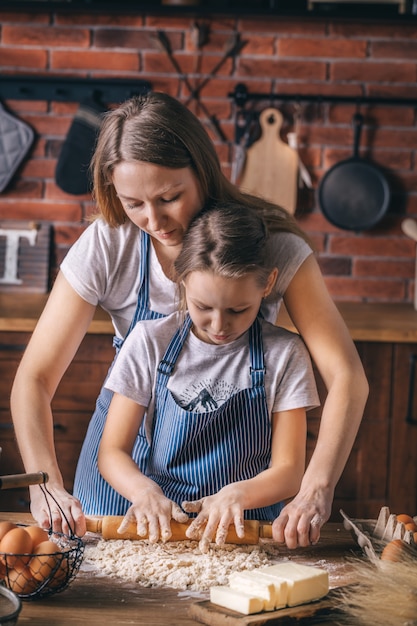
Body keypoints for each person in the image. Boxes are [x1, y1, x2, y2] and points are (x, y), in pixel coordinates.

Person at [10, 91, 369, 548]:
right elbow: (35, 378)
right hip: (127, 468)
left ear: (202, 170)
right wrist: (44, 484)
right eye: (133, 203)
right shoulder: (109, 242)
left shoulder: (267, 244)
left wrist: (316, 488)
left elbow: (346, 376)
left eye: (169, 197)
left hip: (238, 478)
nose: (153, 220)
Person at [97, 203, 319, 553]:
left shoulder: (285, 355)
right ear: (181, 279)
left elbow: (290, 470)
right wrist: (143, 492)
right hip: (164, 530)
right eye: (203, 307)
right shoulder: (149, 342)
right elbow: (112, 452)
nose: (219, 326)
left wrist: (238, 493)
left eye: (237, 310)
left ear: (268, 284)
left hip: (247, 532)